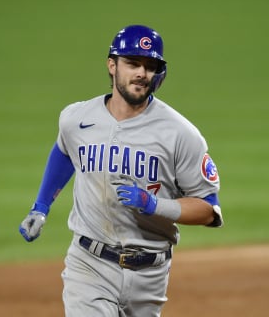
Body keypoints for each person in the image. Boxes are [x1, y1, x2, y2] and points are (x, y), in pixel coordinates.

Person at [19, 24, 223, 317]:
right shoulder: (76, 118)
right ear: (112, 65)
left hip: (149, 275)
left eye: (150, 65)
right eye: (132, 63)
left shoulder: (181, 134)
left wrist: (154, 205)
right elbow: (65, 151)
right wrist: (40, 207)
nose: (142, 72)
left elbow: (208, 209)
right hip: (89, 264)